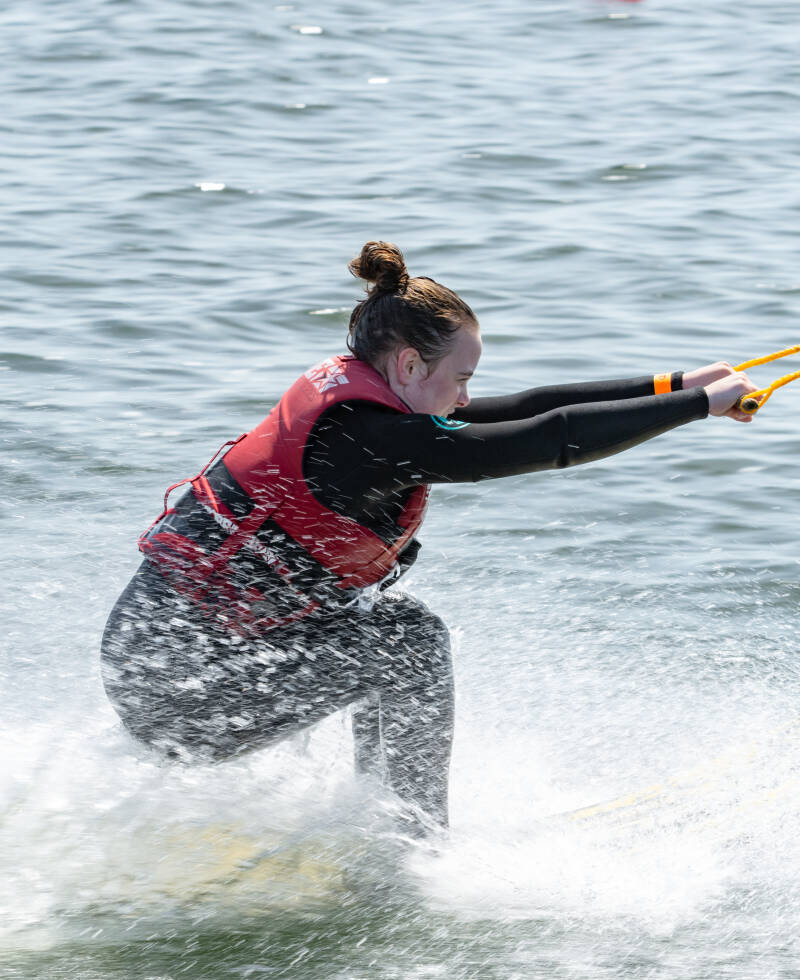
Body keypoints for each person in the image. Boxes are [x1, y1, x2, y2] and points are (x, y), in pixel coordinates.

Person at [101, 241, 755, 836]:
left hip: (174, 663)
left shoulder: (367, 405)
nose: (465, 399)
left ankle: (382, 817)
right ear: (410, 364)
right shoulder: (368, 438)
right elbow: (549, 439)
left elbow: (527, 407)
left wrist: (676, 386)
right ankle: (412, 845)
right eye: (461, 379)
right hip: (175, 693)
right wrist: (698, 407)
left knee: (400, 627)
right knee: (408, 647)